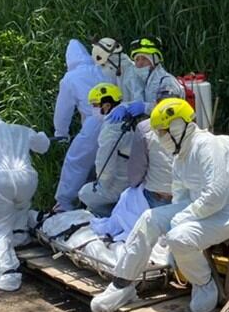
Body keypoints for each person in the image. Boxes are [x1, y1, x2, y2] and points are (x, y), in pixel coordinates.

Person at [90, 98, 229, 312]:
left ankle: (204, 283)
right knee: (149, 219)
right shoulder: (181, 153)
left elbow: (216, 195)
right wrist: (179, 215)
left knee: (179, 237)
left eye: (162, 132)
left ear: (177, 126)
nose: (160, 138)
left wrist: (183, 218)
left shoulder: (206, 145)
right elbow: (181, 194)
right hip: (203, 205)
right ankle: (122, 284)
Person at [89, 82, 185, 241]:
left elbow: (134, 172)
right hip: (184, 198)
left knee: (120, 198)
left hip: (156, 197)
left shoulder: (145, 128)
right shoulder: (192, 126)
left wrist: (108, 185)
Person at [0, 104, 50, 292]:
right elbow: (43, 145)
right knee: (21, 206)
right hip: (27, 177)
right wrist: (42, 136)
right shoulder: (19, 129)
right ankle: (20, 238)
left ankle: (7, 272)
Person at [53, 39, 109, 212]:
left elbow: (63, 110)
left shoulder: (70, 78)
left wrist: (61, 133)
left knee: (76, 161)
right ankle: (97, 203)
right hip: (117, 117)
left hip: (95, 121)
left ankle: (64, 203)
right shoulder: (101, 68)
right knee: (105, 163)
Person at [78, 83, 133, 215]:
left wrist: (101, 185)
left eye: (95, 105)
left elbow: (105, 163)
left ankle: (106, 216)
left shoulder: (110, 129)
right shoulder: (128, 115)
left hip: (121, 182)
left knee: (84, 193)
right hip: (133, 175)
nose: (94, 109)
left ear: (107, 105)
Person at [106, 37, 183, 122]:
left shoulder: (166, 81)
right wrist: (124, 107)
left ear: (154, 60)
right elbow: (137, 102)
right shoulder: (143, 82)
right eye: (137, 60)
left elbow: (170, 108)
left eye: (144, 59)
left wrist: (146, 108)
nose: (140, 63)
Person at [91, 37, 146, 103]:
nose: (103, 69)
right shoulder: (120, 74)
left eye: (104, 65)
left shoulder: (132, 74)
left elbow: (139, 102)